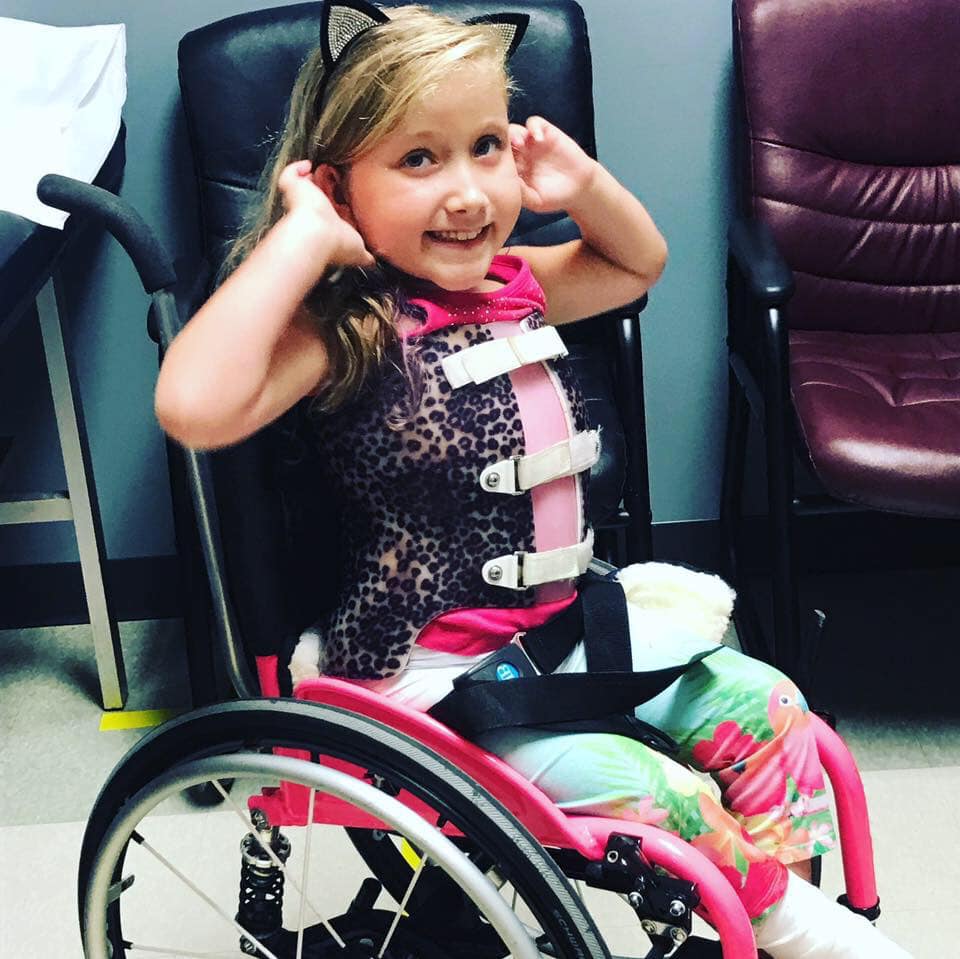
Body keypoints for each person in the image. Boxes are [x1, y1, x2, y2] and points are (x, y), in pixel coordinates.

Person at [155, 4, 911, 957]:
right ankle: (802, 930)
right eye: (419, 158)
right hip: (435, 685)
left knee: (771, 707)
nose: (469, 191)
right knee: (662, 795)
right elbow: (190, 404)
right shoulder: (344, 329)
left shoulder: (516, 283)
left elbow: (637, 264)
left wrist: (580, 184)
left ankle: (767, 924)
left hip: (561, 632)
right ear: (340, 186)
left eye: (485, 146)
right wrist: (304, 235)